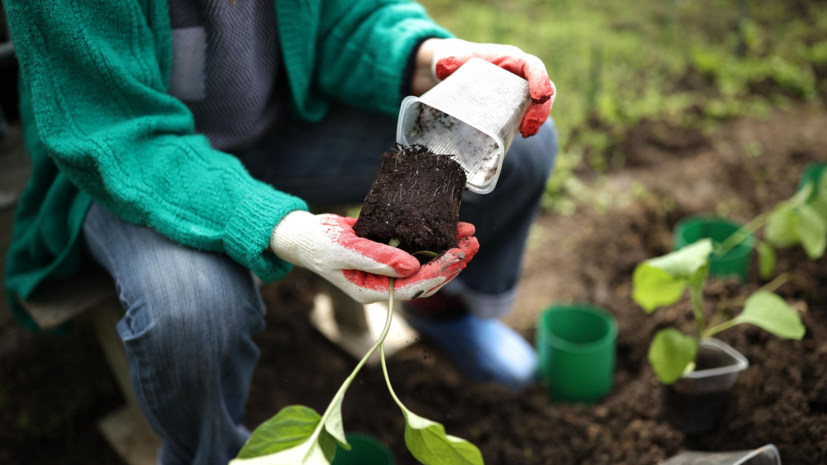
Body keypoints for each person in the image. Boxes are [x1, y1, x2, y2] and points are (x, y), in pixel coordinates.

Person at [3, 1, 558, 463]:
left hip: (278, 123)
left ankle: (442, 312)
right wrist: (282, 228)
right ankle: (210, 450)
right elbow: (113, 131)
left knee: (522, 153)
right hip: (133, 167)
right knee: (193, 313)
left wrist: (431, 60)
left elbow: (348, 16)